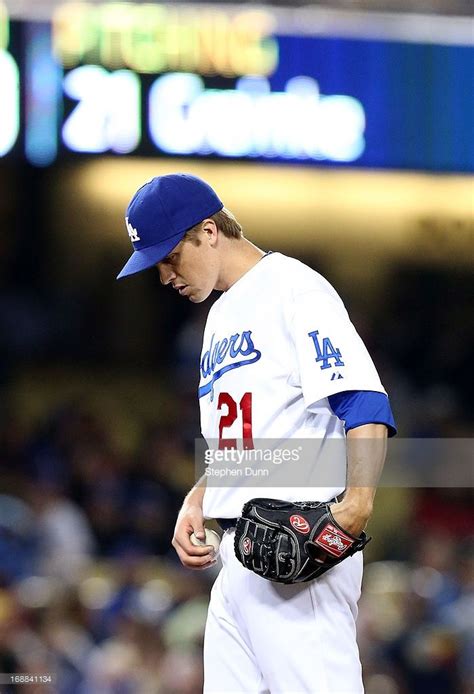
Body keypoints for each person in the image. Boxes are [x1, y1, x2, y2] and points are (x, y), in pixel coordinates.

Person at [117, 173, 396, 693]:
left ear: (208, 231)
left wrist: (356, 507)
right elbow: (244, 442)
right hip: (239, 560)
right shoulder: (218, 318)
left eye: (169, 257)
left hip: (300, 552)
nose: (164, 277)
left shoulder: (295, 287)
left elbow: (362, 399)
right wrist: (201, 496)